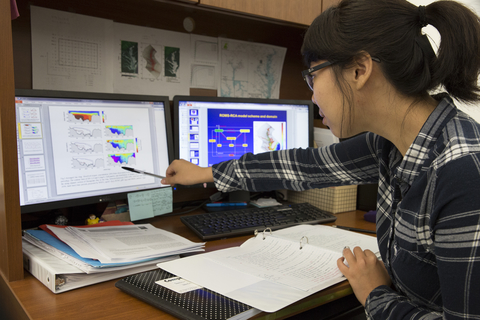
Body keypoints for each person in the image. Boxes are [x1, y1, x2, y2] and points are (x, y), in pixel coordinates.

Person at [161, 0, 480, 318]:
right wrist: (206, 173)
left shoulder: (462, 174)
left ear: (359, 70)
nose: (312, 96)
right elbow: (304, 166)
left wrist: (376, 295)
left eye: (313, 76)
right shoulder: (391, 144)